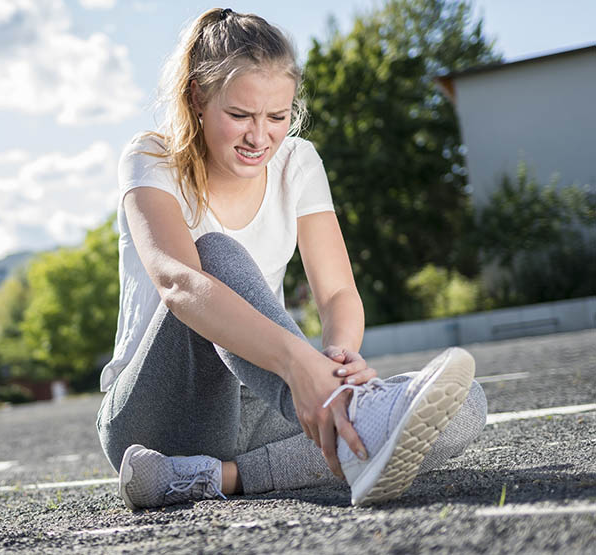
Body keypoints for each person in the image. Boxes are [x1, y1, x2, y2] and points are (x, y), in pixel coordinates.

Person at [96, 7, 487, 510]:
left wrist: (338, 361)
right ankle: (338, 419)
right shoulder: (151, 157)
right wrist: (301, 365)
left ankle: (214, 477)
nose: (259, 137)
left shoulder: (299, 163)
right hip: (155, 414)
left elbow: (339, 292)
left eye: (276, 117)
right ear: (197, 96)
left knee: (466, 404)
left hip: (265, 401)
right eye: (239, 115)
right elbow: (178, 283)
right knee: (213, 254)